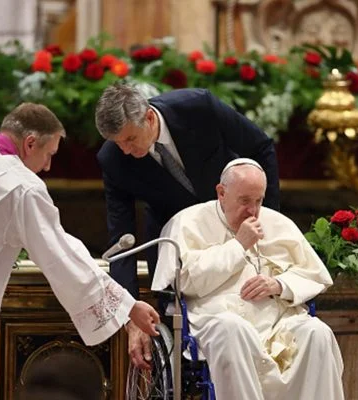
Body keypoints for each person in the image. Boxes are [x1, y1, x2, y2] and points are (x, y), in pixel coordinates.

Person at [0, 103, 160, 400]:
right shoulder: (20, 186)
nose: (48, 167)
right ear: (30, 143)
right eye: (48, 155)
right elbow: (61, 255)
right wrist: (128, 306)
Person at [95, 83, 280, 369]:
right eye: (118, 142)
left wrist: (266, 217)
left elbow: (261, 146)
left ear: (149, 118)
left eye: (130, 139)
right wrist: (129, 313)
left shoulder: (198, 106)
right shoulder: (113, 158)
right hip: (176, 242)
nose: (126, 150)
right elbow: (122, 239)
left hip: (234, 220)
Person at [152, 158, 344, 400]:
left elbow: (314, 275)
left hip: (277, 325)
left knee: (318, 333)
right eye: (244, 201)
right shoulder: (187, 223)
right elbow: (186, 281)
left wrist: (279, 284)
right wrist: (238, 246)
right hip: (217, 322)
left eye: (259, 201)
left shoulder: (278, 223)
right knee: (233, 329)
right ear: (221, 193)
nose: (253, 211)